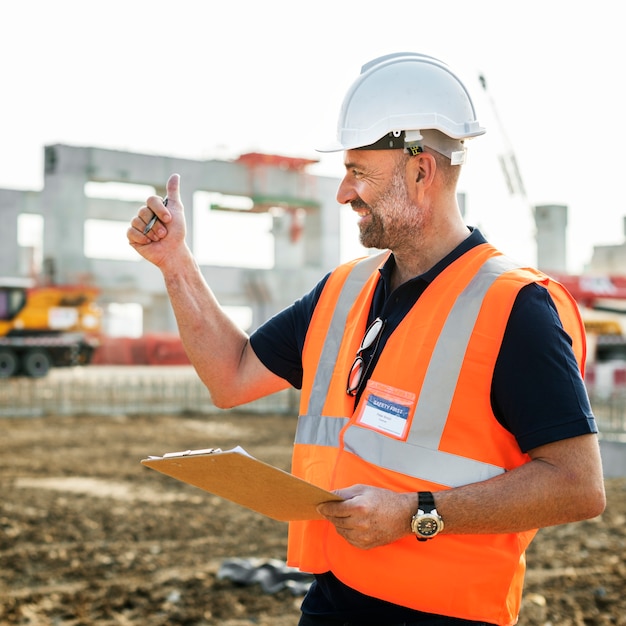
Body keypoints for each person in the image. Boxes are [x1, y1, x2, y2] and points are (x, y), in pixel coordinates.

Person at [127, 52, 606, 626]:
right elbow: (230, 376)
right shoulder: (344, 290)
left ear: (420, 171)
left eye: (359, 172)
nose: (343, 193)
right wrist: (174, 264)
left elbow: (579, 486)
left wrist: (416, 513)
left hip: (443, 615)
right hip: (335, 598)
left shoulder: (515, 307)